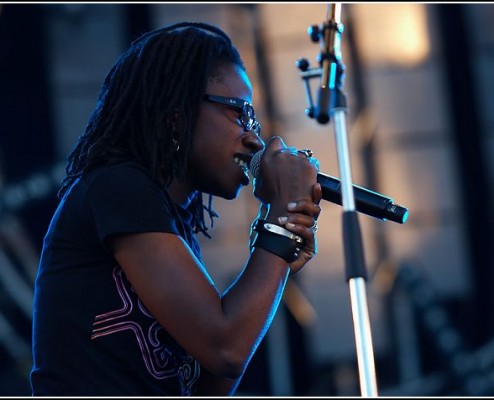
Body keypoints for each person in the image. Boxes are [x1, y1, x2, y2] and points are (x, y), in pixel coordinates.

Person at [30, 21, 322, 396]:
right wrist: (278, 227)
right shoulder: (118, 188)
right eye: (240, 113)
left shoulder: (173, 225)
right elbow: (225, 347)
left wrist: (279, 261)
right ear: (176, 115)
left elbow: (208, 385)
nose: (253, 137)